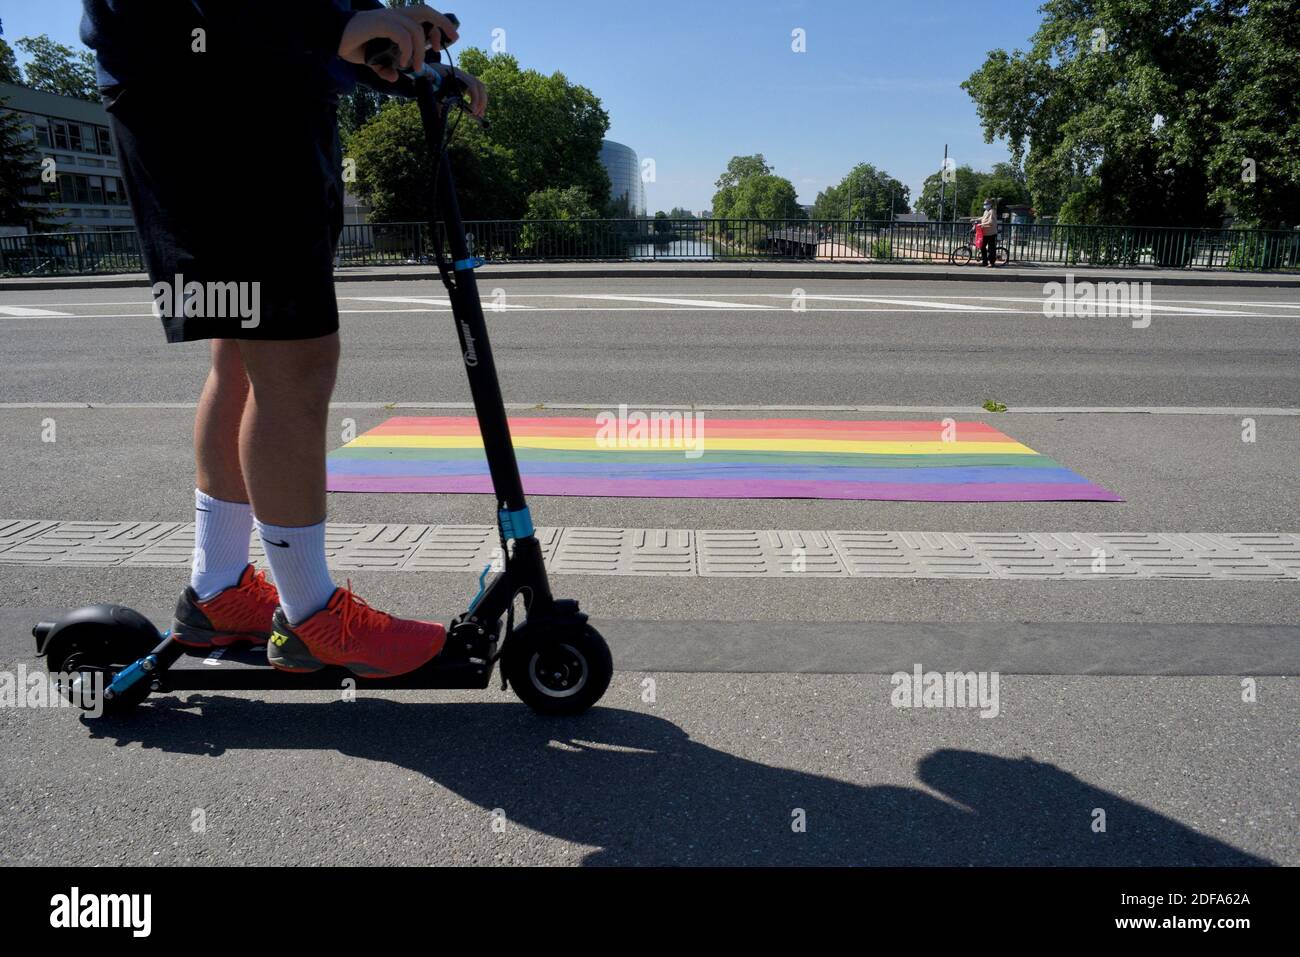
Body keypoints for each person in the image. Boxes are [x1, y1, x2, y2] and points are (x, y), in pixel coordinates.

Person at [80, 2, 487, 677]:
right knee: (295, 358)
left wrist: (380, 41)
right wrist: (322, 25)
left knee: (244, 353)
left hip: (246, 86)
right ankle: (310, 618)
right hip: (207, 91)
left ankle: (217, 591)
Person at [978, 198, 999, 266]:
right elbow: (983, 218)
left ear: (990, 205)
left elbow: (991, 222)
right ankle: (985, 262)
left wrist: (982, 224)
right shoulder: (986, 211)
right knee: (982, 247)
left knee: (991, 248)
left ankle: (992, 262)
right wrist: (975, 219)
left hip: (991, 233)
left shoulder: (992, 211)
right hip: (985, 232)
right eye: (984, 204)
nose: (984, 205)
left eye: (986, 204)